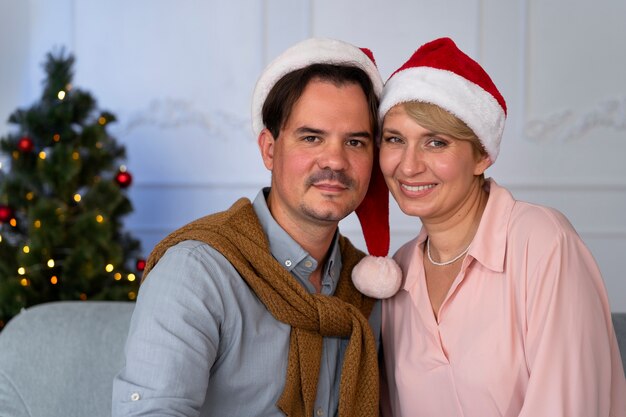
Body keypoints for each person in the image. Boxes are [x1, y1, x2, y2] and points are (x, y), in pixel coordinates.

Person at [111, 38, 394, 417]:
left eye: (355, 142)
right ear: (269, 149)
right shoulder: (197, 272)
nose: (335, 160)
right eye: (311, 137)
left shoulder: (366, 290)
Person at [375, 37, 626, 416]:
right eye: (395, 139)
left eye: (436, 143)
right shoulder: (400, 272)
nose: (408, 166)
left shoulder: (543, 243)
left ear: (482, 156)